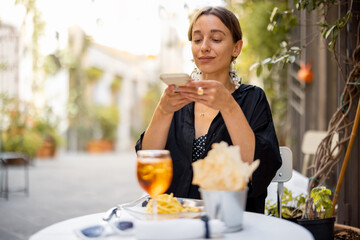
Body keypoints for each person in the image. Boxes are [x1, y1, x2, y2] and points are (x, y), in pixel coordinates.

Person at [135, 6, 282, 214]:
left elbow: (258, 170)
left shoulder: (252, 99)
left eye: (216, 39)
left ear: (236, 48)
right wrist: (163, 110)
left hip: (232, 221)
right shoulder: (178, 99)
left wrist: (228, 105)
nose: (204, 47)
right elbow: (148, 163)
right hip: (174, 220)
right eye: (197, 40)